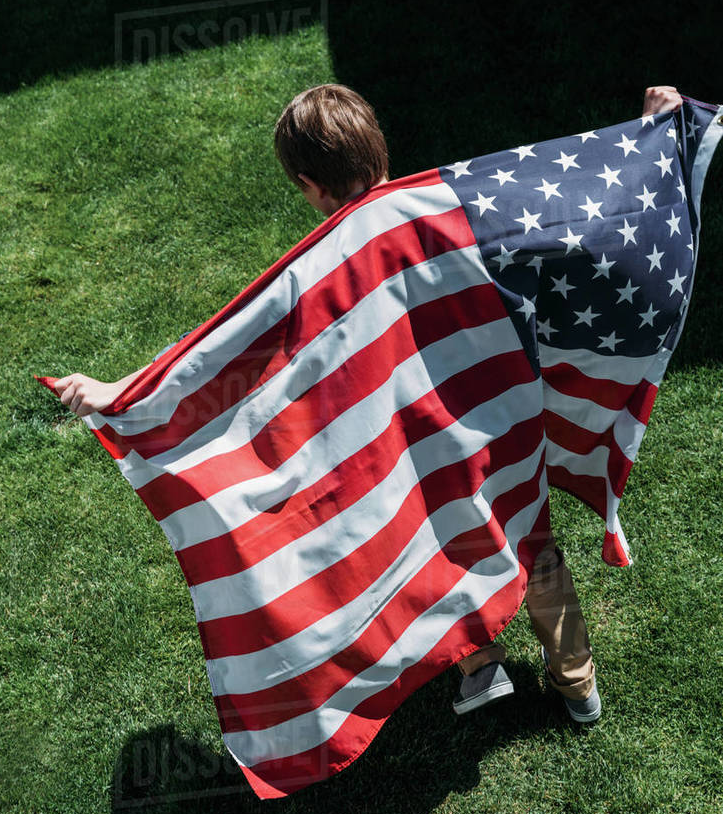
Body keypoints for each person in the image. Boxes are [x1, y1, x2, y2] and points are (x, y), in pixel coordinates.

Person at [51, 82, 684, 724]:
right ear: (377, 149)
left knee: (428, 541)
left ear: (310, 184)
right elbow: (571, 209)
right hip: (490, 420)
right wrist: (649, 132)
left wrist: (123, 393)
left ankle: (475, 658)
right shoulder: (447, 204)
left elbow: (226, 348)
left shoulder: (319, 268)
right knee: (530, 534)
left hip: (407, 445)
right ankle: (577, 686)